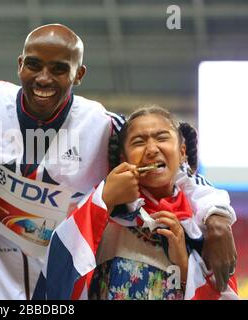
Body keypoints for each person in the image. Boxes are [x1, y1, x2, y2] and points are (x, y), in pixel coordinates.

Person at [0, 24, 236, 299]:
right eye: (33, 64)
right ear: (19, 65)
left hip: (64, 282)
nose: (43, 77)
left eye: (58, 68)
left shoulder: (104, 128)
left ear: (78, 74)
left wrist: (217, 219)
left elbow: (174, 172)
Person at [34, 106, 238, 300]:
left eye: (162, 137)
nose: (151, 149)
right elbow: (61, 268)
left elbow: (222, 292)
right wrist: (106, 199)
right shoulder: (106, 210)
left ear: (182, 152)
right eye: (139, 142)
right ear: (124, 158)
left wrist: (183, 264)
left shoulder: (203, 223)